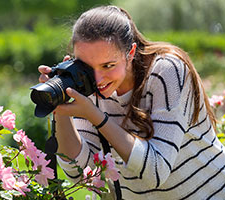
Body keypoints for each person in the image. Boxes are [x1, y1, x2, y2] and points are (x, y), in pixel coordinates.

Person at [38, 5, 225, 200]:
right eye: (86, 67)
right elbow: (80, 173)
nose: (98, 79)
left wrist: (95, 115)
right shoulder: (86, 84)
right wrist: (60, 105)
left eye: (108, 65)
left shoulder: (166, 71)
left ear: (131, 52)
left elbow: (156, 172)